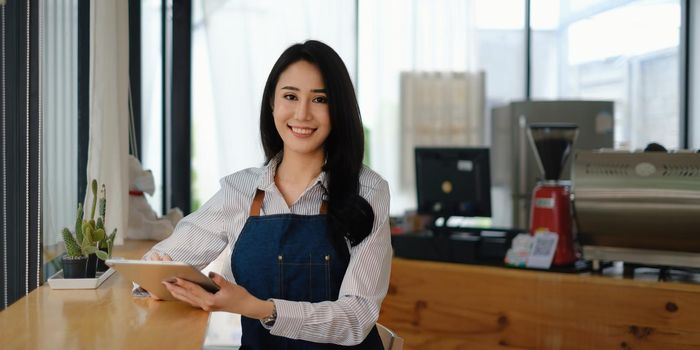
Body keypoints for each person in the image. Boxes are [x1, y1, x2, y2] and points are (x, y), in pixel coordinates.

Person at [144, 40, 391, 349]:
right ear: (272, 103)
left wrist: (257, 308)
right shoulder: (239, 190)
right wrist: (158, 279)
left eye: (320, 99)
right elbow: (157, 264)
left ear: (338, 108)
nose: (302, 114)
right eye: (290, 96)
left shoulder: (368, 190)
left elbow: (356, 318)